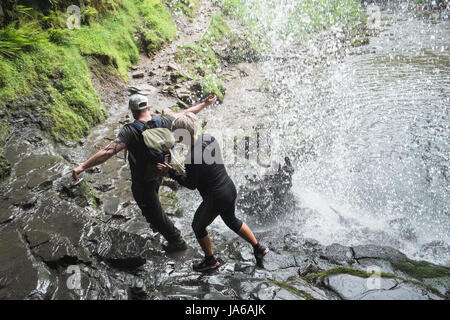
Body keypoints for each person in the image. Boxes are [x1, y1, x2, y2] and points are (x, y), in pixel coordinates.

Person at [72, 93, 217, 253]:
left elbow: (107, 152)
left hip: (142, 179)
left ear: (132, 111)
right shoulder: (165, 121)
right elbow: (186, 114)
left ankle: (176, 241)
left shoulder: (130, 131)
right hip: (161, 170)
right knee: (153, 201)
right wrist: (204, 104)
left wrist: (82, 167)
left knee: (151, 208)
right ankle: (158, 225)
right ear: (148, 107)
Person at [157, 113, 269, 272]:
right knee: (231, 220)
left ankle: (210, 260)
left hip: (216, 197)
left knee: (197, 226)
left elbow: (190, 185)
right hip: (229, 188)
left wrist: (171, 173)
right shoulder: (209, 139)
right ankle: (258, 247)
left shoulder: (191, 157)